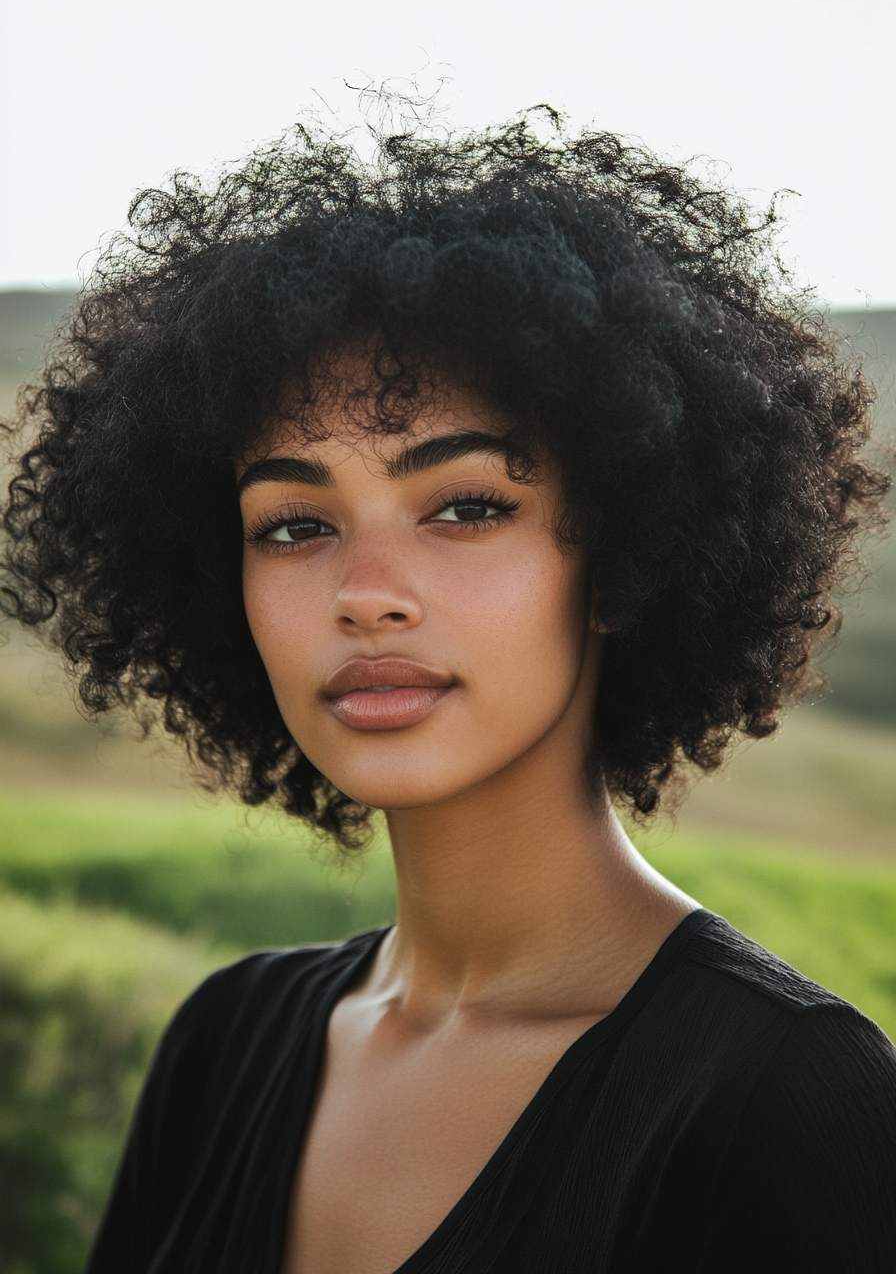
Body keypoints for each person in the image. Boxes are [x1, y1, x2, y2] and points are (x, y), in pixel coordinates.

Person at [3, 111, 895, 1274]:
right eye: (295, 524)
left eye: (466, 507)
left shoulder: (783, 1100)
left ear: (619, 562)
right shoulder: (221, 1043)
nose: (365, 596)